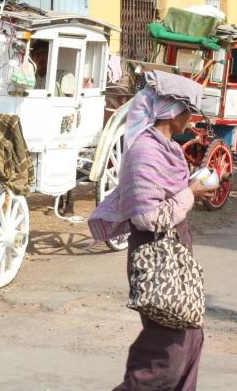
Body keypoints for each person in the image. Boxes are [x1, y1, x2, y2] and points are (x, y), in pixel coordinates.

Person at [88, 70, 216, 391]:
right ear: (170, 110)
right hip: (157, 258)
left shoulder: (169, 148)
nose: (191, 117)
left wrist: (190, 190)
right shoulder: (145, 151)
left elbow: (167, 200)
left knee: (189, 341)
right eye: (188, 109)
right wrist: (191, 193)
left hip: (175, 252)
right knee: (165, 358)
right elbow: (147, 218)